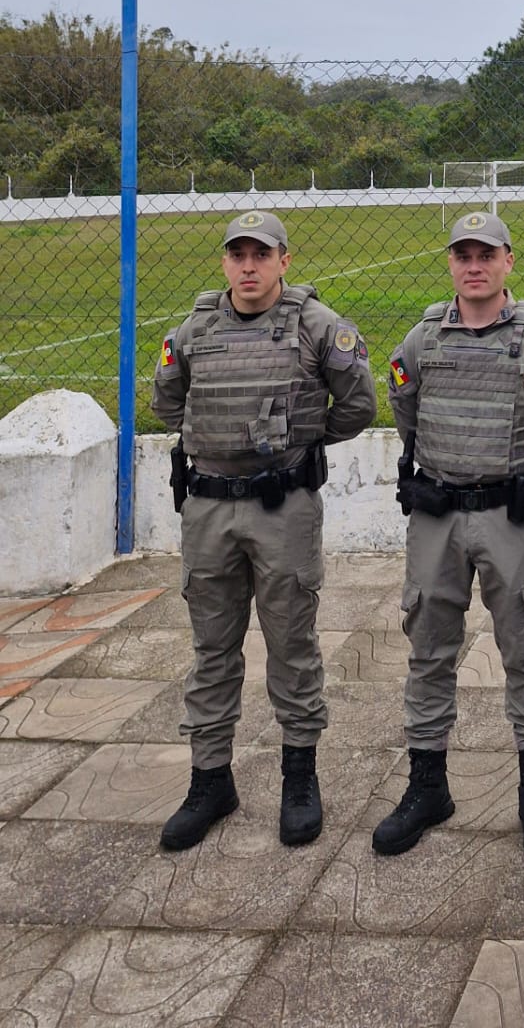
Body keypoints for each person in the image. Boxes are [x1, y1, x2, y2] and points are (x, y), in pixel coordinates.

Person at [151, 209, 376, 851]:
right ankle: (210, 781)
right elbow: (167, 400)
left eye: (261, 254)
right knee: (212, 651)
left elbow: (358, 404)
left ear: (284, 259)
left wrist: (300, 445)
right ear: (225, 262)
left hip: (284, 508)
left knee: (291, 646)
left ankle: (299, 781)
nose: (248, 267)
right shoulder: (193, 330)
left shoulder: (316, 326)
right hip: (208, 509)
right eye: (237, 255)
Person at [372, 211, 524, 858]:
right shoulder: (423, 339)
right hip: (436, 516)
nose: (474, 265)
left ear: (507, 261)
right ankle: (427, 785)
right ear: (451, 263)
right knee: (429, 649)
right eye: (463, 254)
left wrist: (517, 468)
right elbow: (404, 405)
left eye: (486, 254)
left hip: (508, 515)